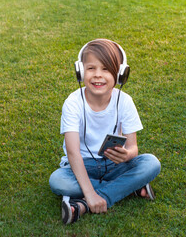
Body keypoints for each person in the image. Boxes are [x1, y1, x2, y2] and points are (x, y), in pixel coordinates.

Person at [49, 39, 161, 224]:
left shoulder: (125, 101)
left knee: (151, 163)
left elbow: (133, 149)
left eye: (106, 69)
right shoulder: (72, 103)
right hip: (82, 165)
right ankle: (128, 187)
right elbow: (73, 153)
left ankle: (82, 204)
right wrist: (90, 192)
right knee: (58, 181)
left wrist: (126, 156)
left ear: (120, 75)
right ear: (81, 71)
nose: (98, 75)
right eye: (91, 68)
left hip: (115, 165)